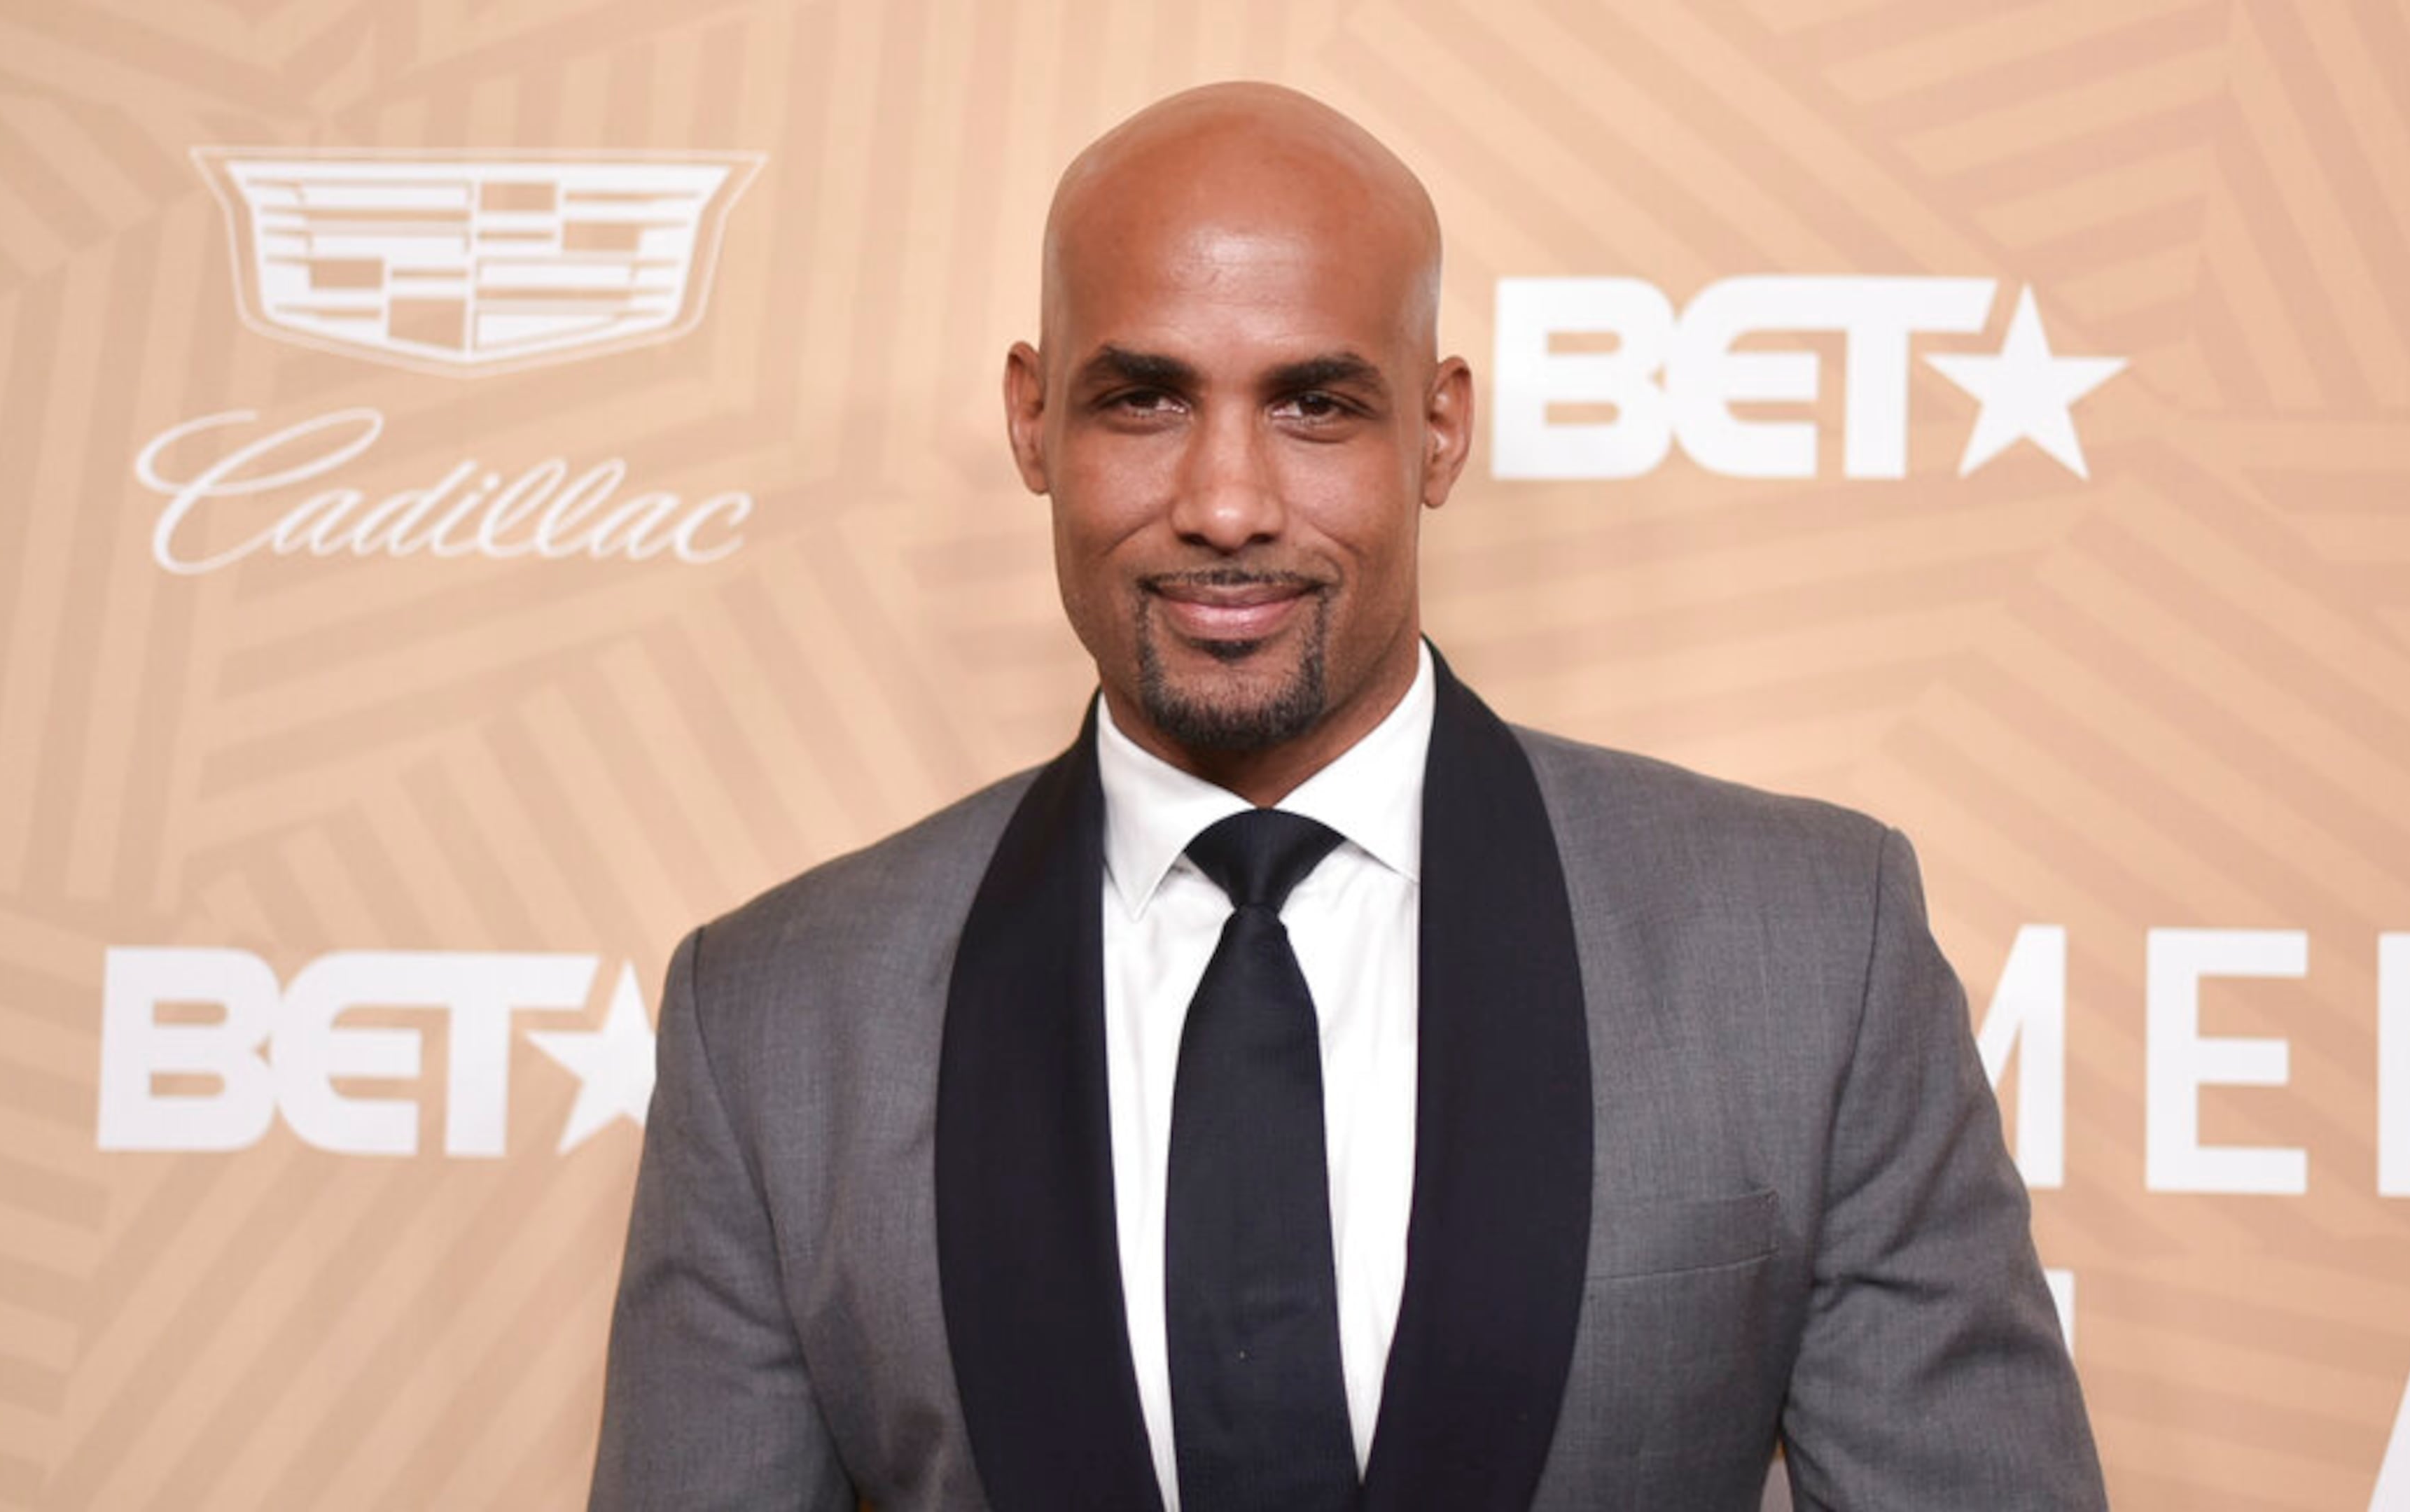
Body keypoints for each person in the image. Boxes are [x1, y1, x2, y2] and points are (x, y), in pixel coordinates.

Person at [589, 81, 2104, 1512]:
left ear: (1437, 432)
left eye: (1315, 405)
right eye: (1145, 402)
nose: (1230, 502)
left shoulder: (1806, 956)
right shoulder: (774, 1023)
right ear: (1032, 421)